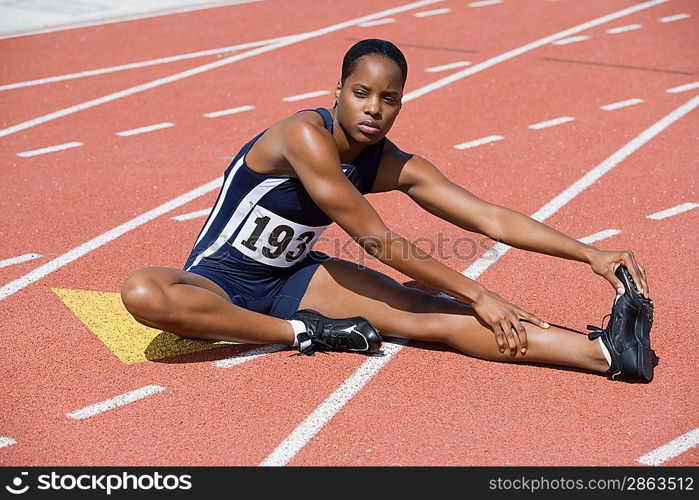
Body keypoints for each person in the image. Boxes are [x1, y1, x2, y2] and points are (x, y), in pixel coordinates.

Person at [121, 39, 653, 381]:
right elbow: (378, 240)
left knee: (431, 318)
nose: (374, 108)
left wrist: (591, 253)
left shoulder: (385, 162)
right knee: (143, 292)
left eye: (389, 98)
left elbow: (488, 217)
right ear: (338, 91)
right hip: (220, 282)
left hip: (295, 280)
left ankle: (604, 353)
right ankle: (305, 333)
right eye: (361, 93)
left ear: (400, 103)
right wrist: (480, 291)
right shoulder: (302, 137)